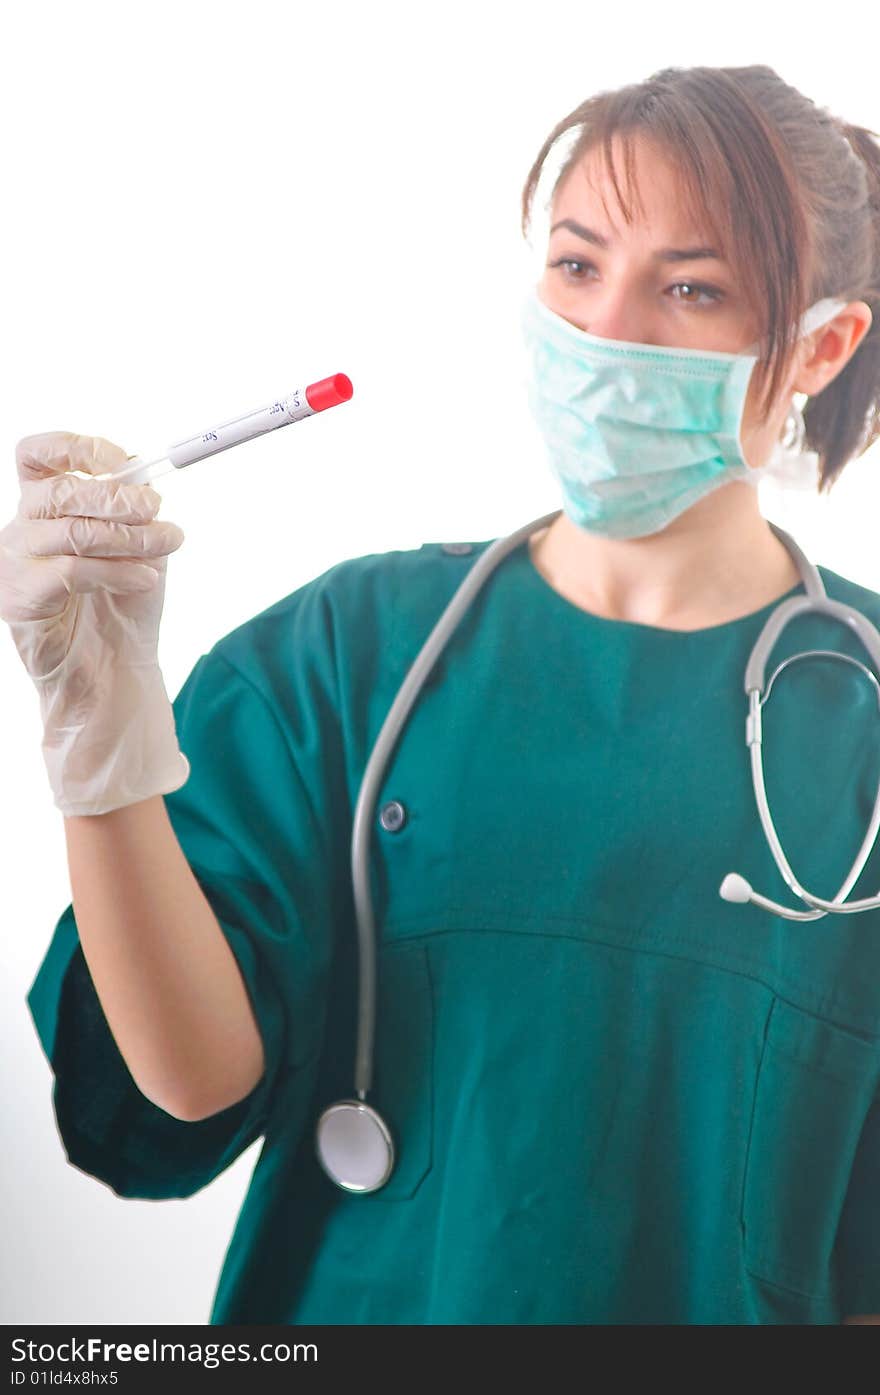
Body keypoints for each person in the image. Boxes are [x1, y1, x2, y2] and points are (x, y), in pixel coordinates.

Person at [5, 62, 880, 1326]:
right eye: (577, 267)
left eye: (690, 288)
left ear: (821, 345)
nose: (607, 331)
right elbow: (187, 1084)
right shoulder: (349, 655)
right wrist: (99, 748)